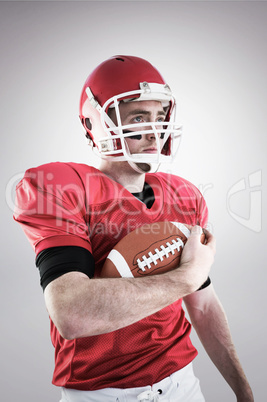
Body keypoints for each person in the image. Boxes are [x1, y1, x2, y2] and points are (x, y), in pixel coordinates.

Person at [14, 55, 253, 402]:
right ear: (96, 124)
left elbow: (202, 306)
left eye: (159, 117)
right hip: (100, 393)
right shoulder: (63, 187)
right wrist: (185, 278)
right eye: (139, 117)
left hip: (182, 385)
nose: (154, 130)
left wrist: (244, 392)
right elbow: (72, 313)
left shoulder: (184, 195)